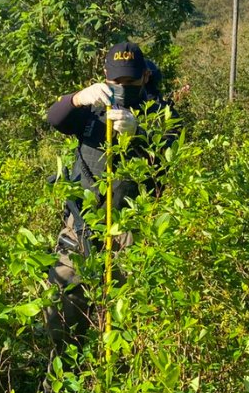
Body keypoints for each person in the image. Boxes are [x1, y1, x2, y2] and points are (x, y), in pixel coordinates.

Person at [43, 40, 171, 349]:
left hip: (132, 233)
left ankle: (121, 377)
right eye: (117, 80)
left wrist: (140, 134)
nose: (122, 87)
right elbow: (55, 118)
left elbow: (168, 161)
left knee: (129, 330)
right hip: (82, 228)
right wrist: (77, 98)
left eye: (130, 80)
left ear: (144, 76)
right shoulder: (91, 108)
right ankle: (61, 377)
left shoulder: (161, 113)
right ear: (105, 75)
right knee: (59, 319)